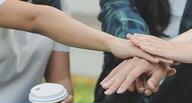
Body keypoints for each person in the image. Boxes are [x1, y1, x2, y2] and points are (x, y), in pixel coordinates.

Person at [0, 0, 169, 64]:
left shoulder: (56, 4)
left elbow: (60, 79)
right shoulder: (47, 14)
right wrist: (114, 43)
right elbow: (37, 19)